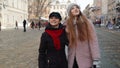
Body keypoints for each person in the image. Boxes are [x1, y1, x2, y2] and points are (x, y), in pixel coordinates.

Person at [65, 3, 101, 68]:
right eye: (72, 8)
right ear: (69, 12)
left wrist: (95, 58)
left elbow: (93, 40)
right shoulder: (67, 24)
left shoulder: (87, 22)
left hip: (85, 58)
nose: (75, 9)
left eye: (77, 7)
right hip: (72, 58)